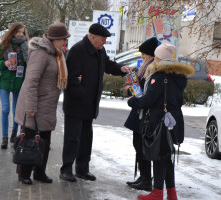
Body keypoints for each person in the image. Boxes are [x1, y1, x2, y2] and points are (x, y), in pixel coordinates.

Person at [60, 23, 132, 182]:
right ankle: (66, 169)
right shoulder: (77, 51)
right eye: (102, 40)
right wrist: (82, 94)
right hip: (76, 104)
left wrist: (121, 69)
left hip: (90, 105)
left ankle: (82, 169)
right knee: (73, 138)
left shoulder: (100, 51)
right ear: (92, 37)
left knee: (86, 138)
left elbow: (107, 65)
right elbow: (71, 79)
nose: (104, 43)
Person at [127, 43, 194, 200]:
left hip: (160, 121)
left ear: (159, 57)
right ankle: (171, 193)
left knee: (159, 156)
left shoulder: (159, 75)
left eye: (156, 55)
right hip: (174, 120)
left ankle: (157, 193)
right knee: (166, 157)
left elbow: (148, 100)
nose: (154, 58)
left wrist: (133, 101)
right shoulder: (178, 75)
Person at [14, 23, 70, 185]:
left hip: (47, 105)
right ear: (55, 39)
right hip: (35, 104)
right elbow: (31, 81)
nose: (64, 43)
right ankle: (23, 173)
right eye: (63, 39)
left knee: (44, 140)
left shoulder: (55, 53)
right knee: (29, 140)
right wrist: (30, 107)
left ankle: (39, 172)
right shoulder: (41, 53)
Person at [123, 37, 158, 191]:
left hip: (143, 113)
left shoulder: (151, 69)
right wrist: (132, 80)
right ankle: (143, 176)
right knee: (138, 145)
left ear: (150, 54)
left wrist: (131, 89)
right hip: (139, 112)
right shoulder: (144, 68)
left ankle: (145, 179)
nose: (142, 56)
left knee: (142, 146)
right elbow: (138, 89)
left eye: (144, 54)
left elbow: (140, 93)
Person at [0, 22, 29, 149]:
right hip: (5, 81)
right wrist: (5, 63)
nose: (20, 34)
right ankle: (4, 137)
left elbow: (30, 64)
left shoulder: (26, 46)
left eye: (22, 32)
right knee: (5, 109)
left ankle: (14, 133)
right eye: (18, 31)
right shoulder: (4, 45)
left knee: (16, 111)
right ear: (12, 32)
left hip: (19, 81)